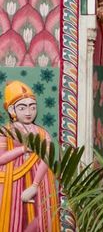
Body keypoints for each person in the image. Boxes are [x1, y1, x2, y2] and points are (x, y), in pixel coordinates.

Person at [0, 81, 60, 231]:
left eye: (32, 107)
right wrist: (23, 149)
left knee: (42, 220)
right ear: (12, 109)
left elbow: (47, 157)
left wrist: (34, 186)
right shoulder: (5, 132)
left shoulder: (42, 133)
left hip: (39, 182)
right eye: (23, 107)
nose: (28, 112)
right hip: (11, 184)